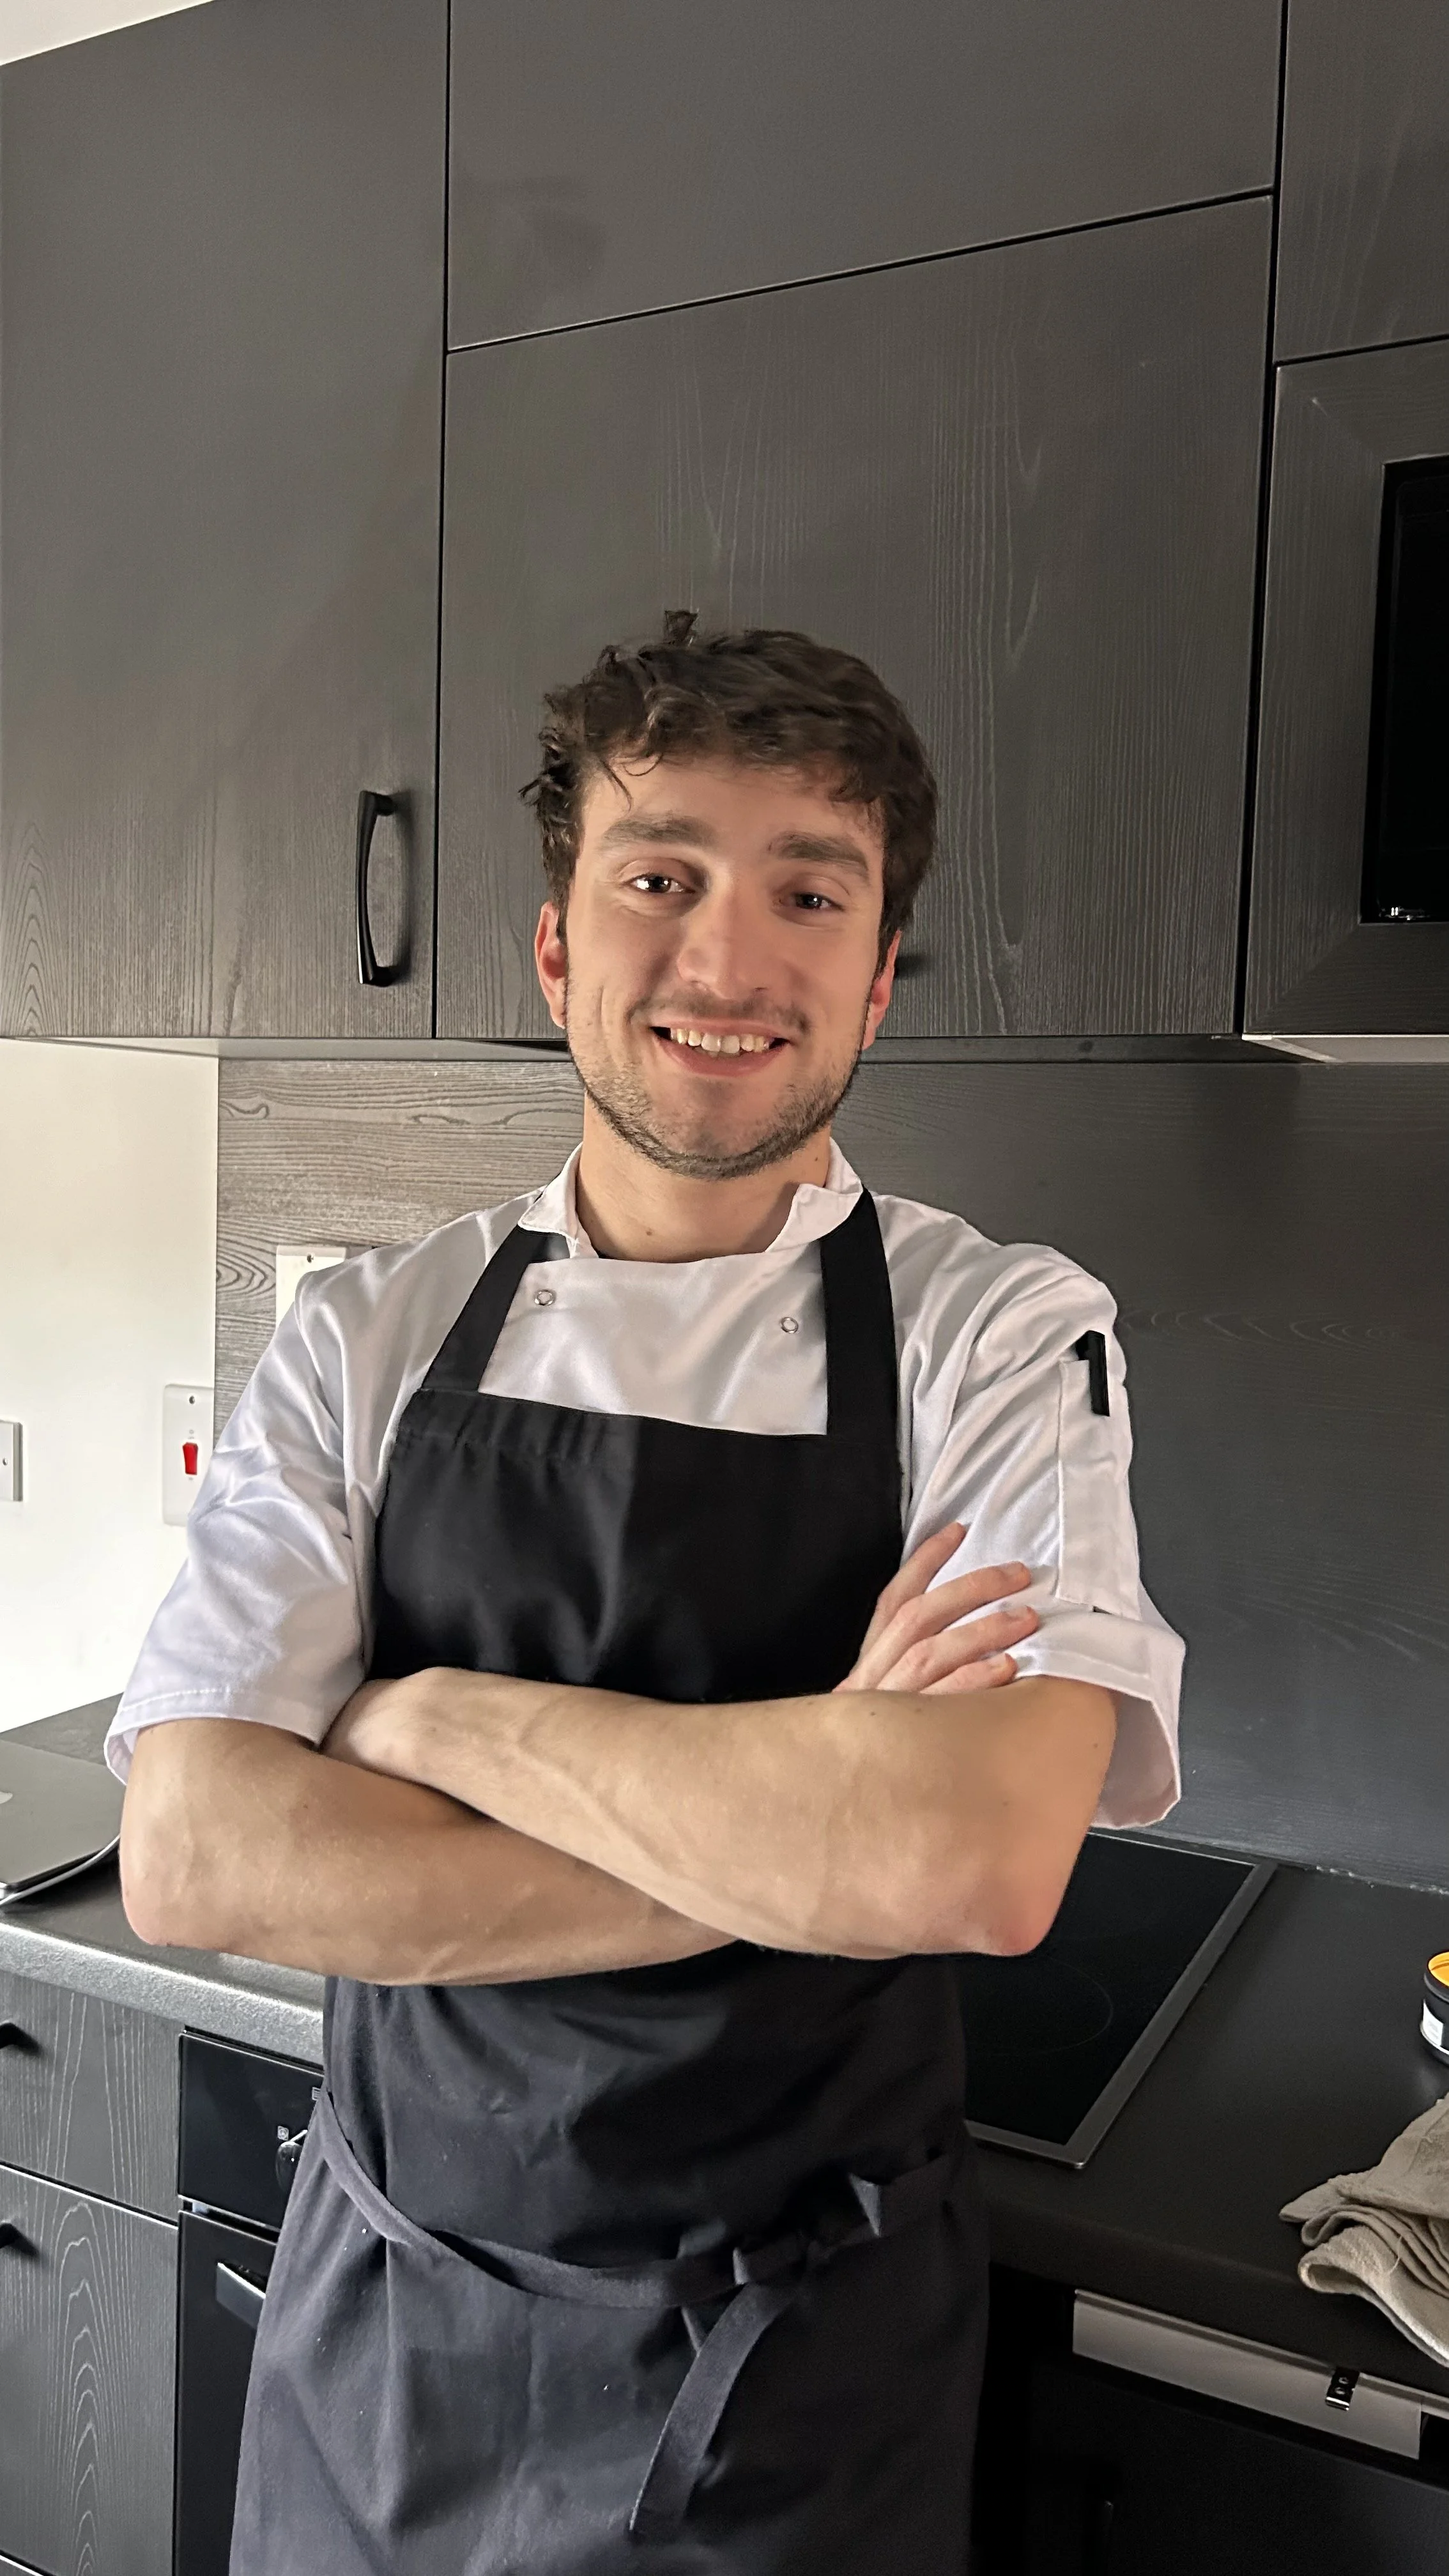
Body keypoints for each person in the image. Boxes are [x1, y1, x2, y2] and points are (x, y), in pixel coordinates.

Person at [110, 614, 1184, 2573]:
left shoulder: (1002, 1334)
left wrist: (436, 1726)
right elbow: (200, 1858)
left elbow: (970, 1864)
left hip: (787, 2373)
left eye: (808, 891)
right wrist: (806, 1817)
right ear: (556, 944)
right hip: (392, 2332)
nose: (728, 957)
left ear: (875, 981)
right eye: (661, 875)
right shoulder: (369, 1329)